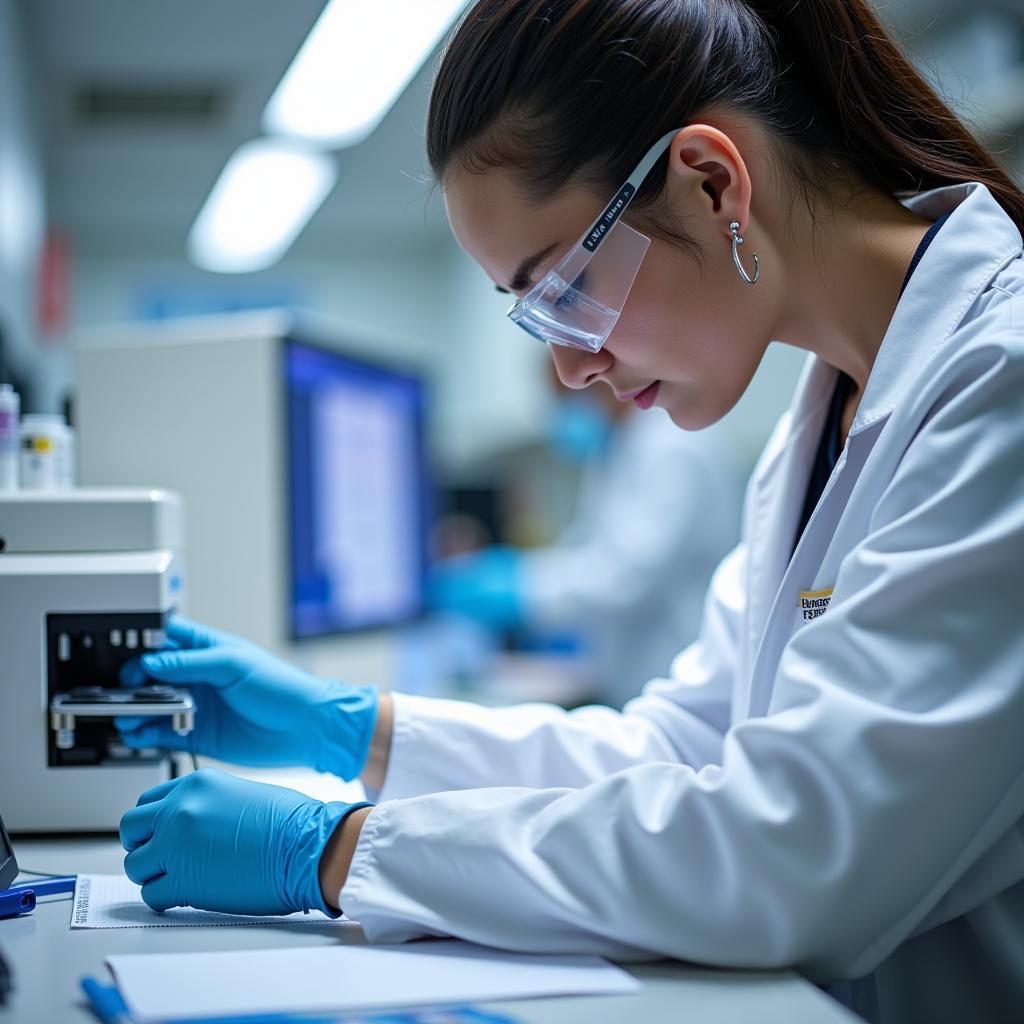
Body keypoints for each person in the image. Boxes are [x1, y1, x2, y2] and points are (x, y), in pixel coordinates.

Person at [115, 1, 1024, 1020]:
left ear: (712, 180)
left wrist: (337, 853)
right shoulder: (816, 424)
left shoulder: (1004, 377)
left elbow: (797, 855)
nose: (569, 364)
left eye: (561, 290)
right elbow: (680, 751)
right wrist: (358, 731)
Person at [429, 378, 743, 707]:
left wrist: (522, 587)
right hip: (638, 679)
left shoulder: (673, 446)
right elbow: (587, 548)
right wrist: (524, 572)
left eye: (570, 398)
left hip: (680, 671)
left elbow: (624, 577)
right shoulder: (619, 449)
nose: (565, 415)